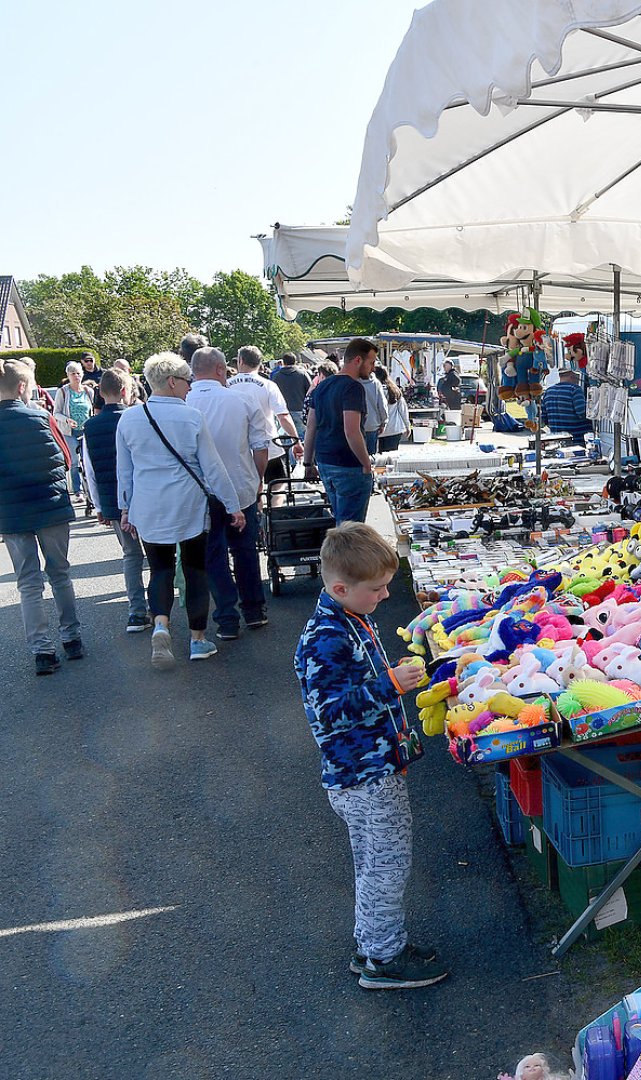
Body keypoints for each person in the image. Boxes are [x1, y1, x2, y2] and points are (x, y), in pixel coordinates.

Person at [294, 522, 445, 991]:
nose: (384, 596)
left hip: (371, 765)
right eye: (377, 589)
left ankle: (374, 942)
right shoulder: (326, 638)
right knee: (387, 865)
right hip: (363, 773)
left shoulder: (348, 617)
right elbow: (330, 711)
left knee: (375, 861)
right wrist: (389, 685)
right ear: (341, 587)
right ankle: (385, 959)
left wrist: (390, 674)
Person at [117, 351, 243, 667]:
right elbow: (212, 468)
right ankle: (197, 641)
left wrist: (125, 508)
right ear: (172, 382)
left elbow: (125, 471)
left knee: (159, 568)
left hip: (148, 505)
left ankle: (160, 623)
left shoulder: (129, 418)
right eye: (186, 381)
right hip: (188, 504)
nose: (189, 387)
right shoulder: (191, 417)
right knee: (195, 570)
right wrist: (233, 506)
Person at [0, 357, 82, 674]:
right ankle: (72, 638)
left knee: (28, 583)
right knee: (60, 574)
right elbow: (66, 459)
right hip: (50, 507)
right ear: (23, 387)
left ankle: (42, 650)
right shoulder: (42, 417)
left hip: (12, 513)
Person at [190, 347, 269, 638]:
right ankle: (253, 609)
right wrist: (257, 480)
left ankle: (226, 617)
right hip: (241, 484)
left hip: (201, 492)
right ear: (222, 369)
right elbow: (261, 447)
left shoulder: (184, 401)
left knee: (213, 555)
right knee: (245, 549)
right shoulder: (242, 399)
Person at [81, 368, 149, 633]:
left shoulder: (91, 426)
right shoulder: (138, 417)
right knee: (156, 555)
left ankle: (136, 611)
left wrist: (99, 505)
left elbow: (90, 471)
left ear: (100, 392)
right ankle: (159, 605)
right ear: (125, 391)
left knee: (130, 555)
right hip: (146, 496)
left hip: (113, 500)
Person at [305, 338, 379, 524]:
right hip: (348, 465)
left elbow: (311, 427)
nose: (373, 368)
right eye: (371, 362)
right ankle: (343, 554)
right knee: (350, 530)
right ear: (357, 360)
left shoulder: (322, 386)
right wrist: (366, 463)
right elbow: (351, 431)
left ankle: (337, 552)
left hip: (325, 461)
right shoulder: (353, 388)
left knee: (341, 522)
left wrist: (308, 463)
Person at [230, 345, 300, 488]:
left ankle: (257, 508)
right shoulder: (268, 385)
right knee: (278, 484)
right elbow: (283, 416)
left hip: (238, 447)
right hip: (269, 444)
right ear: (260, 362)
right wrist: (296, 441)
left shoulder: (226, 385)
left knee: (251, 489)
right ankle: (274, 509)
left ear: (240, 361)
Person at [52, 360, 94, 504]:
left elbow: (93, 410)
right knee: (75, 462)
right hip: (70, 432)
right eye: (73, 374)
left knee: (87, 461)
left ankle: (91, 491)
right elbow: (56, 413)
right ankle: (78, 491)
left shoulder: (88, 391)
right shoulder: (63, 391)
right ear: (68, 376)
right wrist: (67, 420)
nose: (76, 376)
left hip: (86, 431)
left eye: (78, 373)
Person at [539, 368, 591, 444]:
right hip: (576, 439)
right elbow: (582, 413)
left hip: (556, 439)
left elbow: (544, 418)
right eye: (577, 377)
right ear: (571, 375)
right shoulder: (575, 390)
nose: (578, 380)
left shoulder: (548, 391)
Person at [271, 353, 313, 438]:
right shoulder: (302, 374)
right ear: (295, 361)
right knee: (301, 437)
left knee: (285, 438)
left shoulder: (276, 376)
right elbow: (311, 391)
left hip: (281, 411)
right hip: (300, 409)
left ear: (283, 362)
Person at [378, 376, 409, 453]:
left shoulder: (374, 390)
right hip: (394, 429)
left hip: (378, 429)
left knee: (378, 459)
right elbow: (403, 410)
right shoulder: (394, 391)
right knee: (392, 458)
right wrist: (407, 426)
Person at [362, 368, 388, 456]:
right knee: (371, 457)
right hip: (372, 424)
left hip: (356, 425)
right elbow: (382, 405)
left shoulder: (353, 382)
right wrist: (384, 422)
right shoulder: (376, 383)